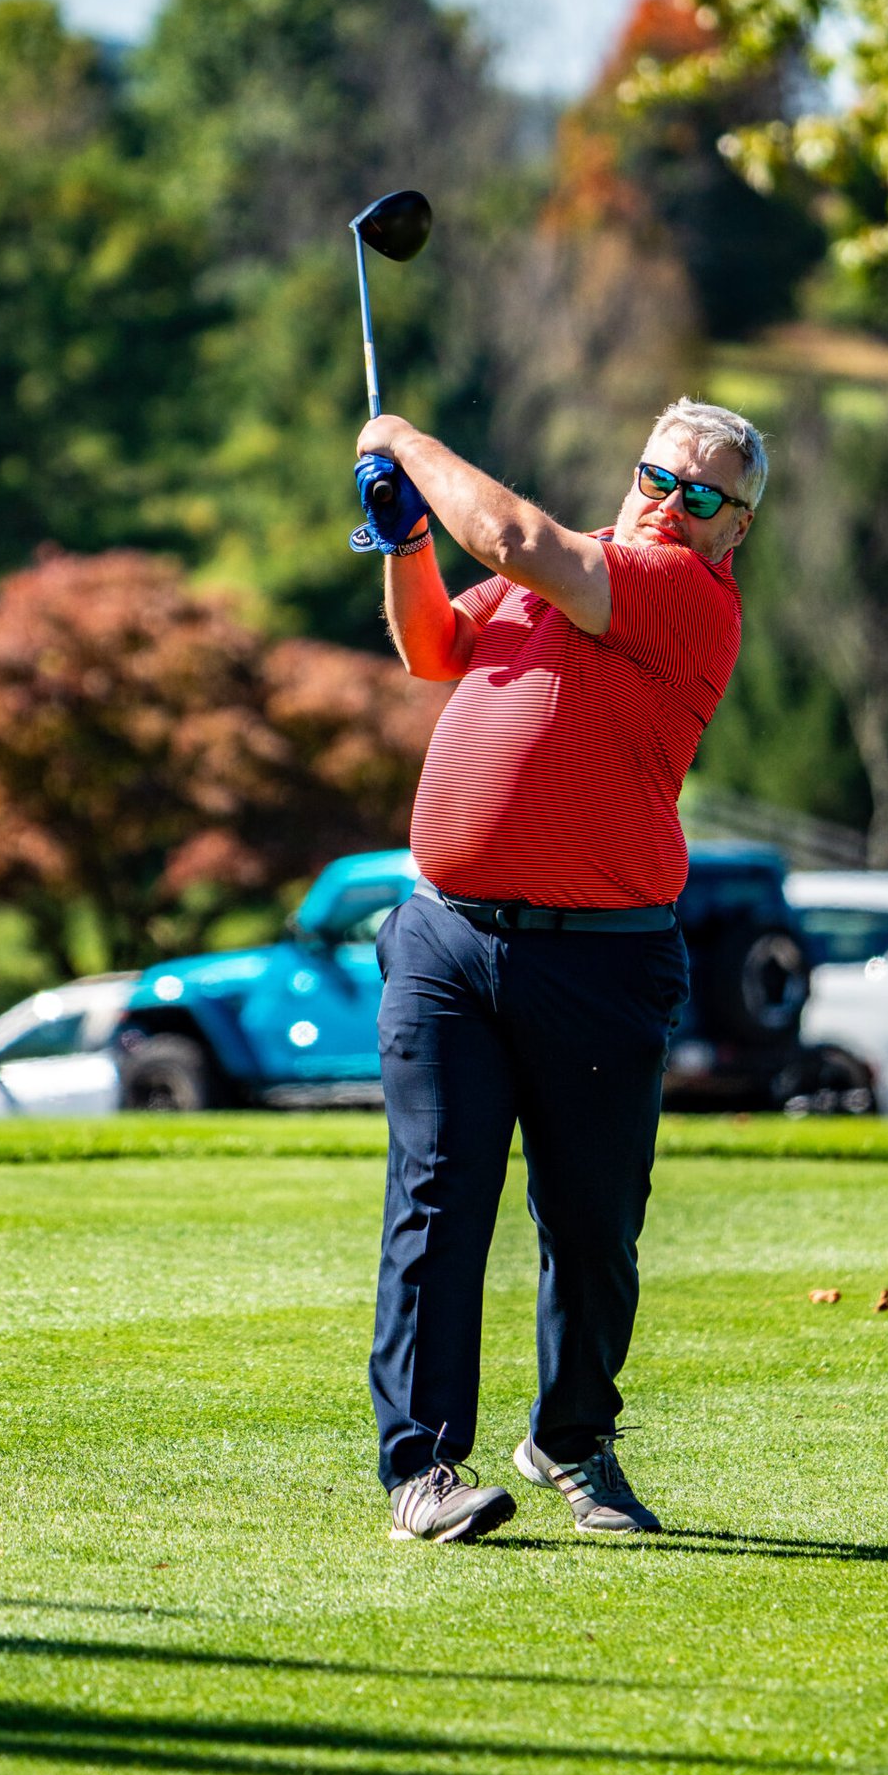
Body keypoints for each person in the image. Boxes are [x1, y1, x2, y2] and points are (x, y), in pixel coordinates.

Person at [355, 396, 765, 1543]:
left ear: (733, 532)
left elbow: (519, 540)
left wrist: (401, 443)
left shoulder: (681, 594)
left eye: (702, 495)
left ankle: (572, 1439)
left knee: (591, 1227)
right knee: (436, 1202)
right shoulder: (563, 578)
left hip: (602, 957)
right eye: (657, 475)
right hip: (444, 938)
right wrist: (403, 539)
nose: (670, 504)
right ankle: (422, 1472)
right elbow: (434, 645)